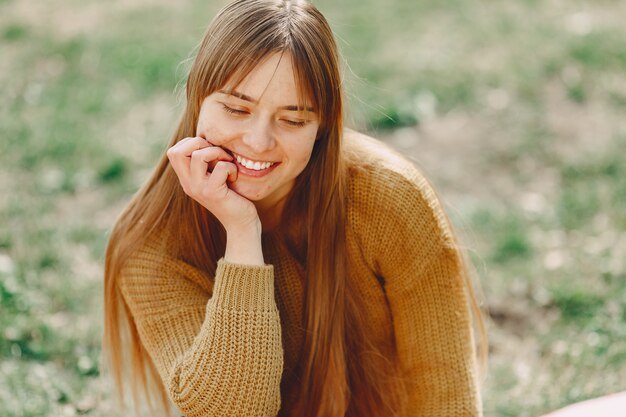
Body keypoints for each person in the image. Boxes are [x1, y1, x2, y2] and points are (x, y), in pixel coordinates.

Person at [103, 0, 487, 416]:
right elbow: (234, 412)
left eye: (293, 119)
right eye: (236, 108)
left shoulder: (390, 198)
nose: (258, 141)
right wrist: (242, 233)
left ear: (322, 126)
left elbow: (447, 398)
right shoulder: (151, 244)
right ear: (197, 98)